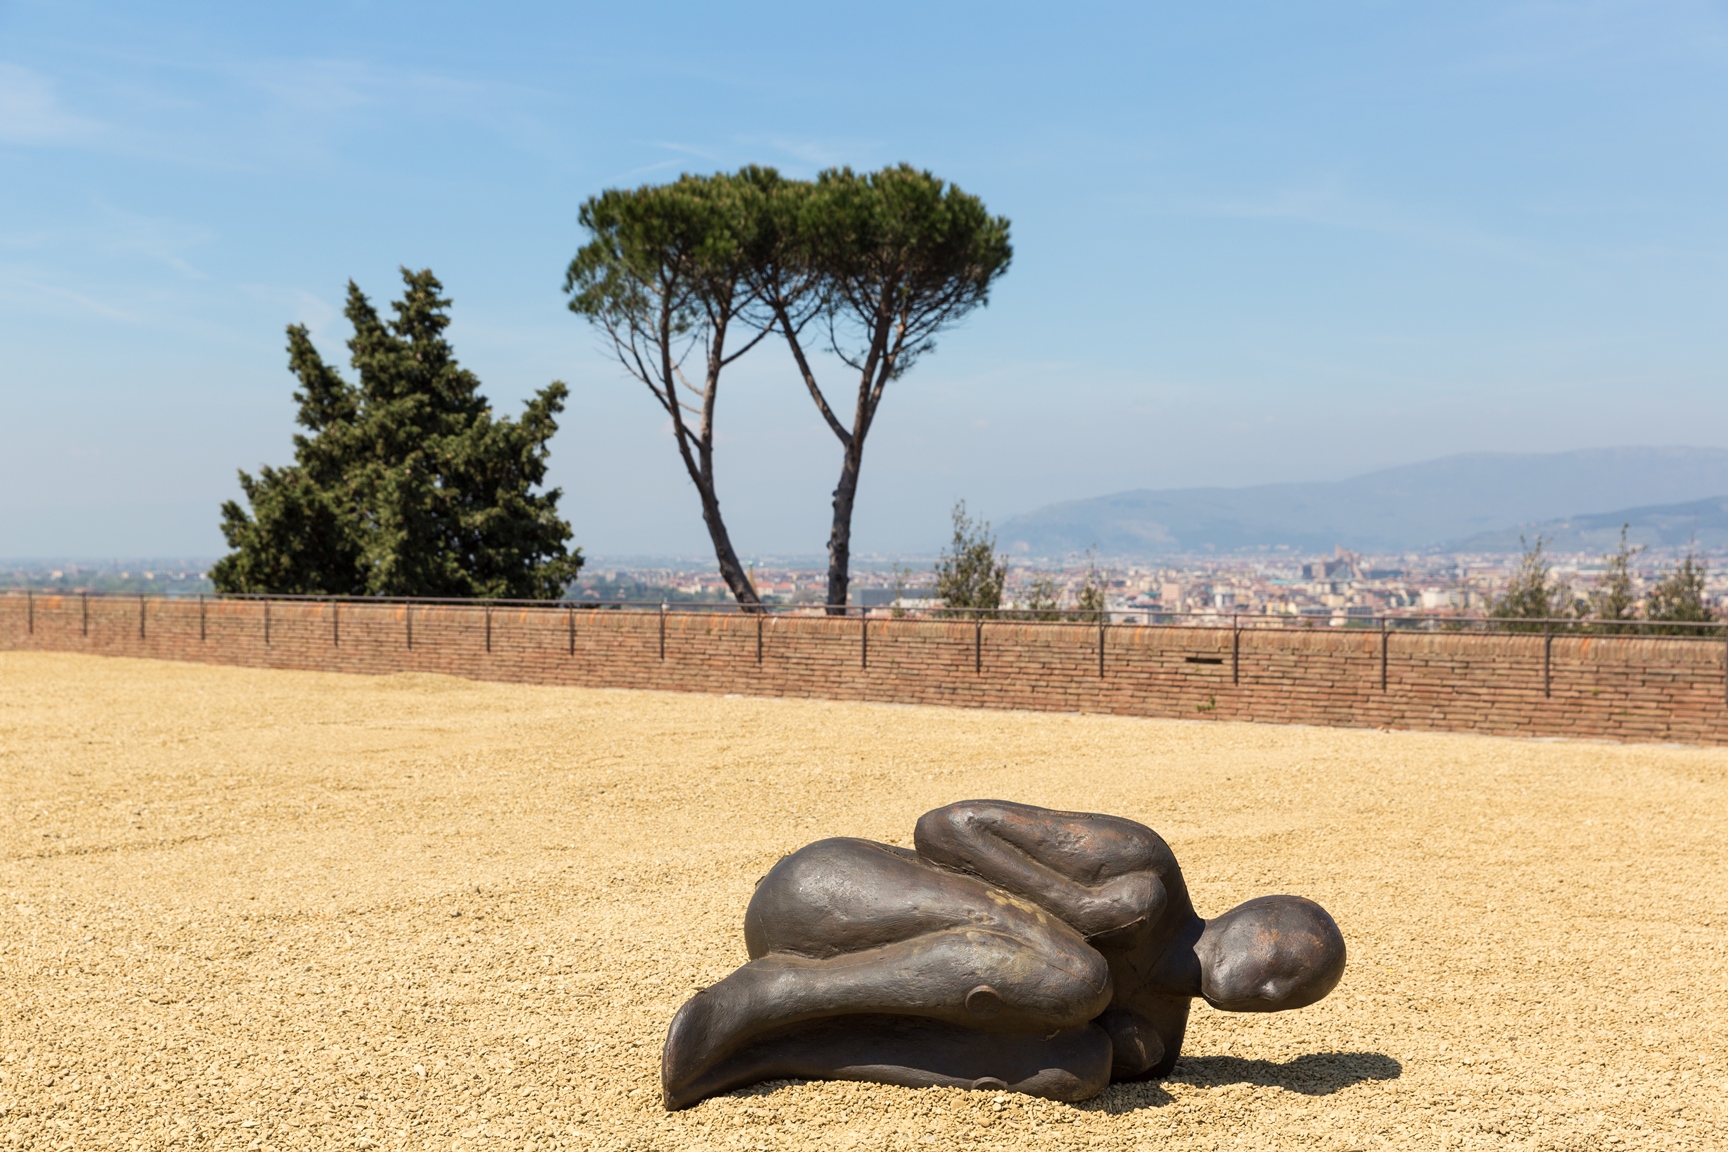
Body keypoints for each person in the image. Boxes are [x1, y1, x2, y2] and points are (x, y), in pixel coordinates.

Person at [661, 800, 1346, 1109]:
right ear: (1261, 913)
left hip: (894, 991)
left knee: (1080, 1066)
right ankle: (772, 997)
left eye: (1293, 996)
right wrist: (1074, 905)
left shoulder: (1158, 1046)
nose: (1273, 991)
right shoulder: (1146, 870)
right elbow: (946, 828)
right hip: (835, 900)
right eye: (1284, 961)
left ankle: (789, 1046)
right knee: (1079, 976)